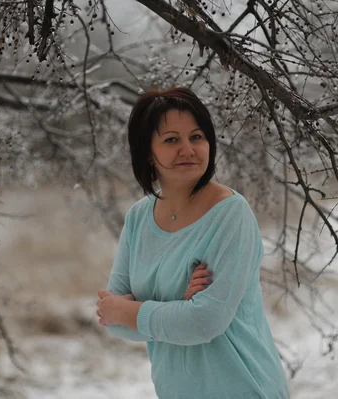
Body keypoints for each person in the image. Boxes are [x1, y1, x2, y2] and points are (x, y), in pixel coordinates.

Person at [96, 87, 290, 399]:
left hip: (244, 388)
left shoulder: (230, 214)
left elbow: (204, 322)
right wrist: (176, 310)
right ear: (148, 151)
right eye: (172, 139)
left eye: (197, 137)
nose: (188, 149)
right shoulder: (138, 219)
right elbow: (111, 318)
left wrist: (133, 310)